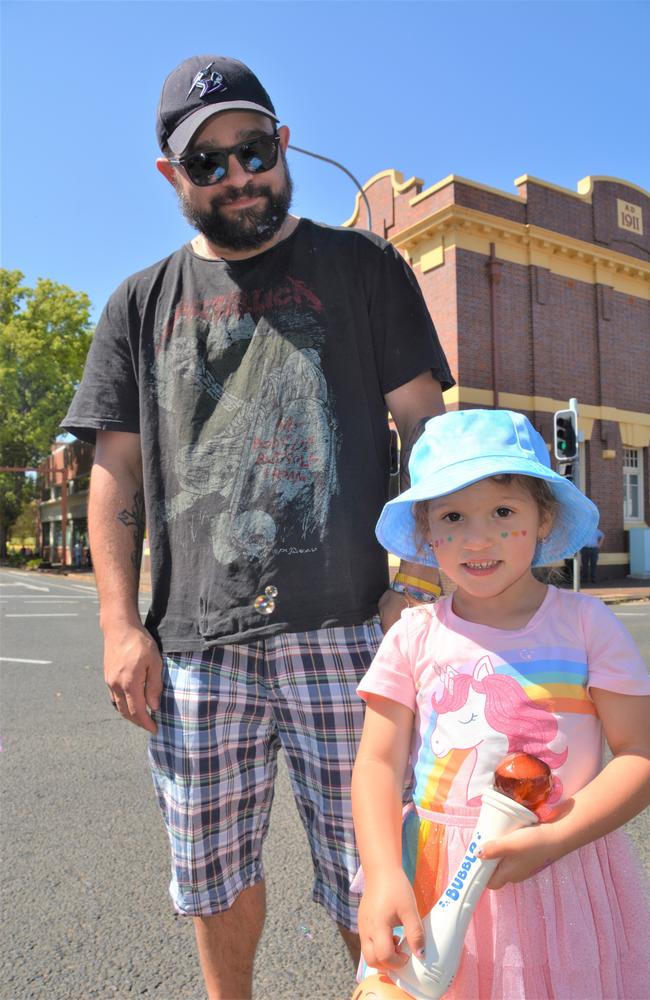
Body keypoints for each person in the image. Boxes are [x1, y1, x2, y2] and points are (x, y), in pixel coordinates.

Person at [61, 54, 453, 1000]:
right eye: (210, 164)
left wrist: (426, 582)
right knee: (211, 877)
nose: (241, 176)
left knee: (375, 871)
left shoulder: (364, 268)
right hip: (196, 646)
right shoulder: (138, 303)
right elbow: (114, 474)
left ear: (282, 143)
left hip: (354, 629)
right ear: (173, 177)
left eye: (255, 149)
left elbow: (431, 434)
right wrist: (119, 626)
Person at [352, 408, 650, 999]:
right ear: (426, 532)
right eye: (453, 517)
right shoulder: (412, 635)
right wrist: (385, 872)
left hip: (561, 867)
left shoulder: (587, 626)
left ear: (544, 519)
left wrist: (553, 839)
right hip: (434, 873)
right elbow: (378, 765)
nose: (478, 538)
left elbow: (639, 754)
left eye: (503, 512)